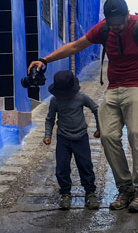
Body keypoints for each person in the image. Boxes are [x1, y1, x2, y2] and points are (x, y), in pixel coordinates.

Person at [29, 0, 138, 213]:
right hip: (113, 87)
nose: (117, 27)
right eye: (113, 23)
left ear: (127, 15)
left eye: (120, 22)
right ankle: (125, 188)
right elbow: (75, 45)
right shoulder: (104, 29)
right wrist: (44, 60)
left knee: (137, 135)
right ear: (107, 20)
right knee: (108, 136)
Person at [43, 70, 101, 210]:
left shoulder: (81, 97)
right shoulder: (54, 101)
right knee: (62, 168)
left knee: (85, 165)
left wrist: (100, 128)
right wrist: (48, 134)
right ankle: (65, 193)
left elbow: (96, 109)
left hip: (81, 137)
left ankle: (90, 192)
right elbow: (50, 118)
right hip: (63, 138)